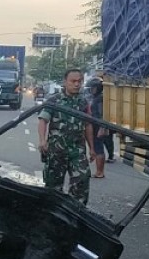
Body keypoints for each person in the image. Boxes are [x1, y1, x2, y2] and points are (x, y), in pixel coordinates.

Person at [37, 68, 94, 205]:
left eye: (79, 81)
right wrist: (42, 140)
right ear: (65, 82)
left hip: (77, 151)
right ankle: (52, 216)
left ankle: (75, 214)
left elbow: (88, 125)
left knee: (82, 180)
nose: (76, 84)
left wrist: (92, 148)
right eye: (73, 81)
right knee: (53, 188)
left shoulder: (83, 102)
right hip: (57, 151)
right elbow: (43, 120)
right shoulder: (54, 101)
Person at [86, 76, 114, 178]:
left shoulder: (100, 99)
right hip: (96, 125)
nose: (91, 90)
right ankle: (99, 171)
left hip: (98, 126)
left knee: (98, 148)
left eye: (92, 88)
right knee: (98, 148)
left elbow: (102, 114)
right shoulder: (97, 98)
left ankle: (99, 172)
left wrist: (102, 127)